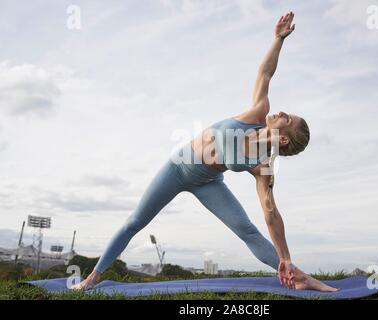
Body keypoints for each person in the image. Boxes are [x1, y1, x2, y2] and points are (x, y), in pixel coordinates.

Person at [71, 11, 338, 292]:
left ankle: (298, 276)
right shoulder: (258, 113)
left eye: (287, 119)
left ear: (283, 140)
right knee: (135, 221)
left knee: (247, 230)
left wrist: (285, 257)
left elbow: (271, 213)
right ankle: (92, 278)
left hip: (208, 182)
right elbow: (265, 73)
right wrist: (278, 40)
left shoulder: (264, 166)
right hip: (178, 167)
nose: (282, 112)